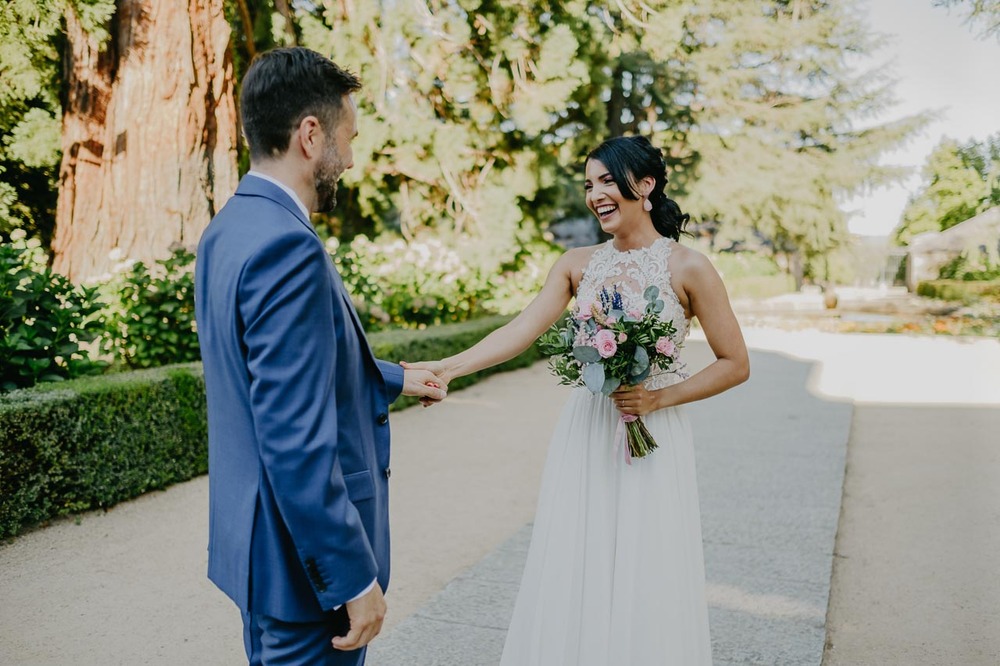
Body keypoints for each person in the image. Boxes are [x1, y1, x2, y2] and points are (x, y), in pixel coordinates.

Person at [404, 135, 749, 664]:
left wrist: (659, 398)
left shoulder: (689, 267)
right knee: (577, 556)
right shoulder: (577, 264)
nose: (595, 195)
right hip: (588, 429)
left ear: (646, 185)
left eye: (608, 181)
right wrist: (444, 369)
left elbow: (735, 363)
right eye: (589, 185)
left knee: (646, 561)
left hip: (652, 431)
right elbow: (520, 330)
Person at [194, 47, 447, 665]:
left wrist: (389, 378)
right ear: (311, 135)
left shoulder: (229, 227)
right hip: (305, 576)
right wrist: (353, 580)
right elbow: (295, 442)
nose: (352, 157)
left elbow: (262, 373)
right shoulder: (290, 246)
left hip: (257, 552)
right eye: (348, 136)